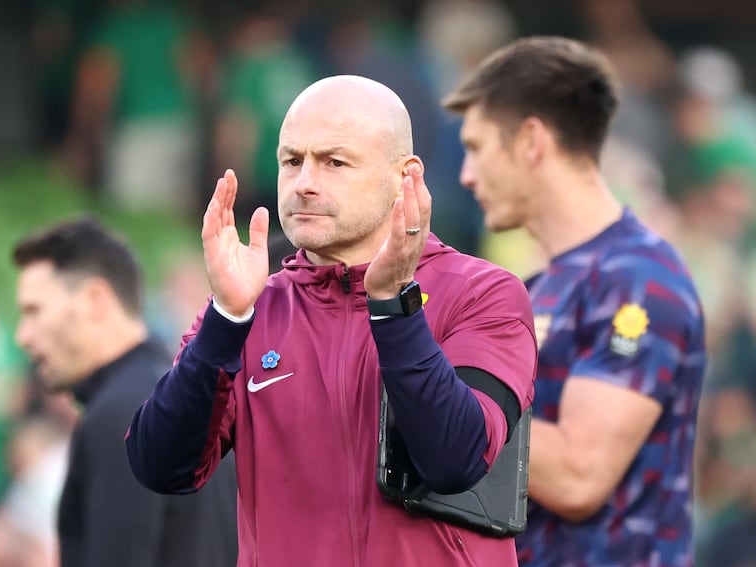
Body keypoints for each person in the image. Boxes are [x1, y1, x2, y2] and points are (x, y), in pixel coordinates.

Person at [125, 75, 537, 566]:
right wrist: (226, 317)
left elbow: (455, 458)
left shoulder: (482, 293)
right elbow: (160, 467)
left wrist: (392, 304)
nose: (305, 183)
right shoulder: (250, 308)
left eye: (334, 162)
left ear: (404, 177)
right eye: (292, 161)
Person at [442, 36, 706, 566]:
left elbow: (579, 476)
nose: (466, 175)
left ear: (531, 142)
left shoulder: (640, 279)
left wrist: (432, 399)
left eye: (477, 147)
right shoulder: (537, 286)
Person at [11, 217, 238, 567]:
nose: (23, 336)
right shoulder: (184, 395)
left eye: (34, 311)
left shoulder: (121, 414)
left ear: (95, 301)